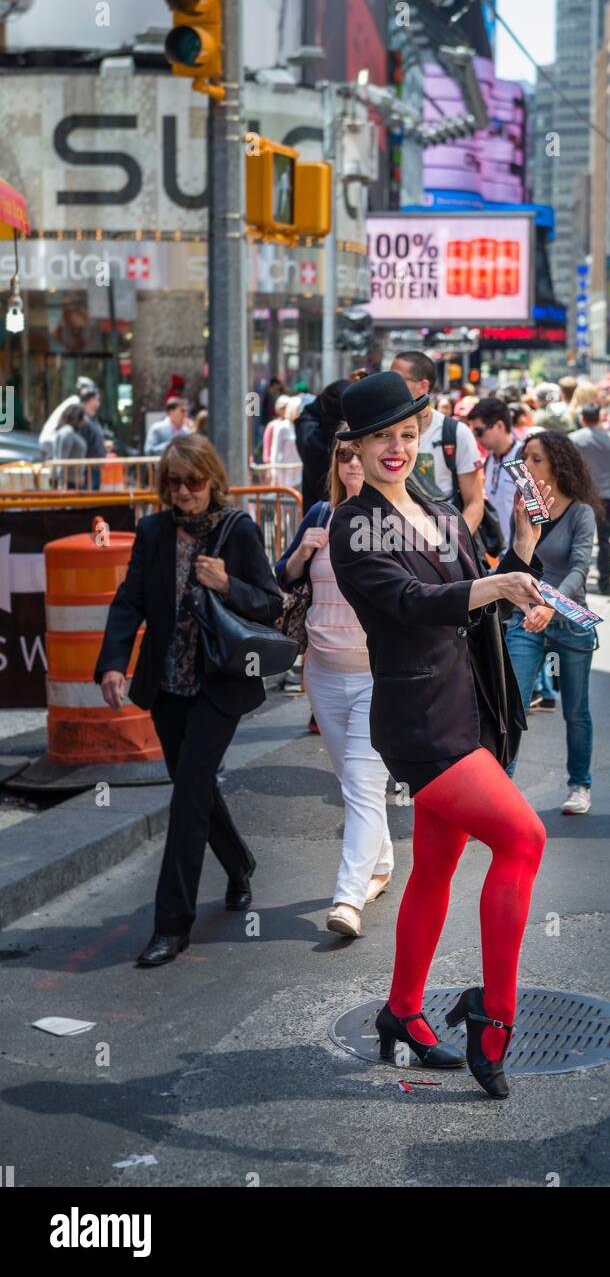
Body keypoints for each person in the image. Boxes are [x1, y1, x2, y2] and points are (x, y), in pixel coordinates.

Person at [329, 371, 550, 1098]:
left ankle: (401, 1011)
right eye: (381, 437)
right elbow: (415, 602)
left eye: (407, 433)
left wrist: (520, 561)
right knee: (523, 839)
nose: (397, 447)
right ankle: (494, 1016)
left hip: (470, 707)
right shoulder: (351, 525)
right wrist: (492, 586)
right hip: (421, 723)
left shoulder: (436, 506)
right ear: (353, 446)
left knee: (435, 867)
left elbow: (476, 599)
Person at [95, 434, 283, 967]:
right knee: (193, 786)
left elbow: (269, 605)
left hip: (219, 685)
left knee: (187, 797)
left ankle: (171, 925)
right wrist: (112, 661)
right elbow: (129, 599)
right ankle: (240, 862)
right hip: (167, 685)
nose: (183, 493)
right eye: (173, 483)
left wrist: (228, 585)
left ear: (212, 481)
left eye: (193, 482)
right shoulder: (153, 532)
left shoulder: (237, 530)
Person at [276, 434, 393, 938]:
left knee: (365, 785)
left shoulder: (395, 518)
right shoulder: (321, 513)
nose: (350, 464)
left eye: (357, 455)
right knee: (354, 784)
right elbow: (282, 578)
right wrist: (303, 552)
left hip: (378, 674)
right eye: (342, 455)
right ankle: (383, 864)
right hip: (323, 670)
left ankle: (347, 899)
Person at [505, 431, 598, 814]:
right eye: (524, 457)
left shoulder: (581, 512)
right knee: (512, 704)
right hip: (525, 617)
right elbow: (518, 563)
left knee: (575, 710)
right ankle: (499, 791)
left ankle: (580, 784)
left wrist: (551, 606)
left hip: (569, 621)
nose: (526, 465)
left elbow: (579, 568)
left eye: (536, 458)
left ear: (558, 464)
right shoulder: (524, 507)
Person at [390, 351, 484, 535]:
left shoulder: (456, 433)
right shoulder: (380, 430)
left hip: (442, 538)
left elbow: (475, 502)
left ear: (423, 386)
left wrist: (455, 548)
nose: (389, 385)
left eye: (397, 379)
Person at [570, 402, 610, 595]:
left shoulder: (574, 439)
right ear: (599, 417)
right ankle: (606, 582)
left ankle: (577, 582)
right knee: (605, 540)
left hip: (581, 495)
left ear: (583, 419)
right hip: (606, 495)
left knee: (577, 540)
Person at [465, 397, 520, 549]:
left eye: (479, 431)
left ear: (500, 425)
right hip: (501, 551)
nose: (476, 438)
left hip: (521, 552)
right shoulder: (490, 459)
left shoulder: (523, 457)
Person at [294, 380, 349, 512]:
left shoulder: (310, 439)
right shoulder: (356, 439)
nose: (353, 463)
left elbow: (307, 413)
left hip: (316, 519)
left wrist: (326, 396)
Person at [268, 395, 303, 489]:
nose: (300, 411)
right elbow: (275, 451)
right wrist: (274, 473)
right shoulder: (281, 427)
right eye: (298, 408)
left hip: (299, 471)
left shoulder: (301, 426)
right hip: (284, 473)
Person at [52, 403, 87, 489]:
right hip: (67, 482)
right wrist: (62, 482)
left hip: (71, 480)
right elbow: (62, 459)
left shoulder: (69, 431)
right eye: (83, 417)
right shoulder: (67, 432)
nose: (85, 420)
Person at [78, 385, 106, 488]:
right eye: (96, 399)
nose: (98, 402)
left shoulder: (93, 419)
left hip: (96, 467)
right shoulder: (83, 420)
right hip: (88, 469)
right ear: (89, 400)